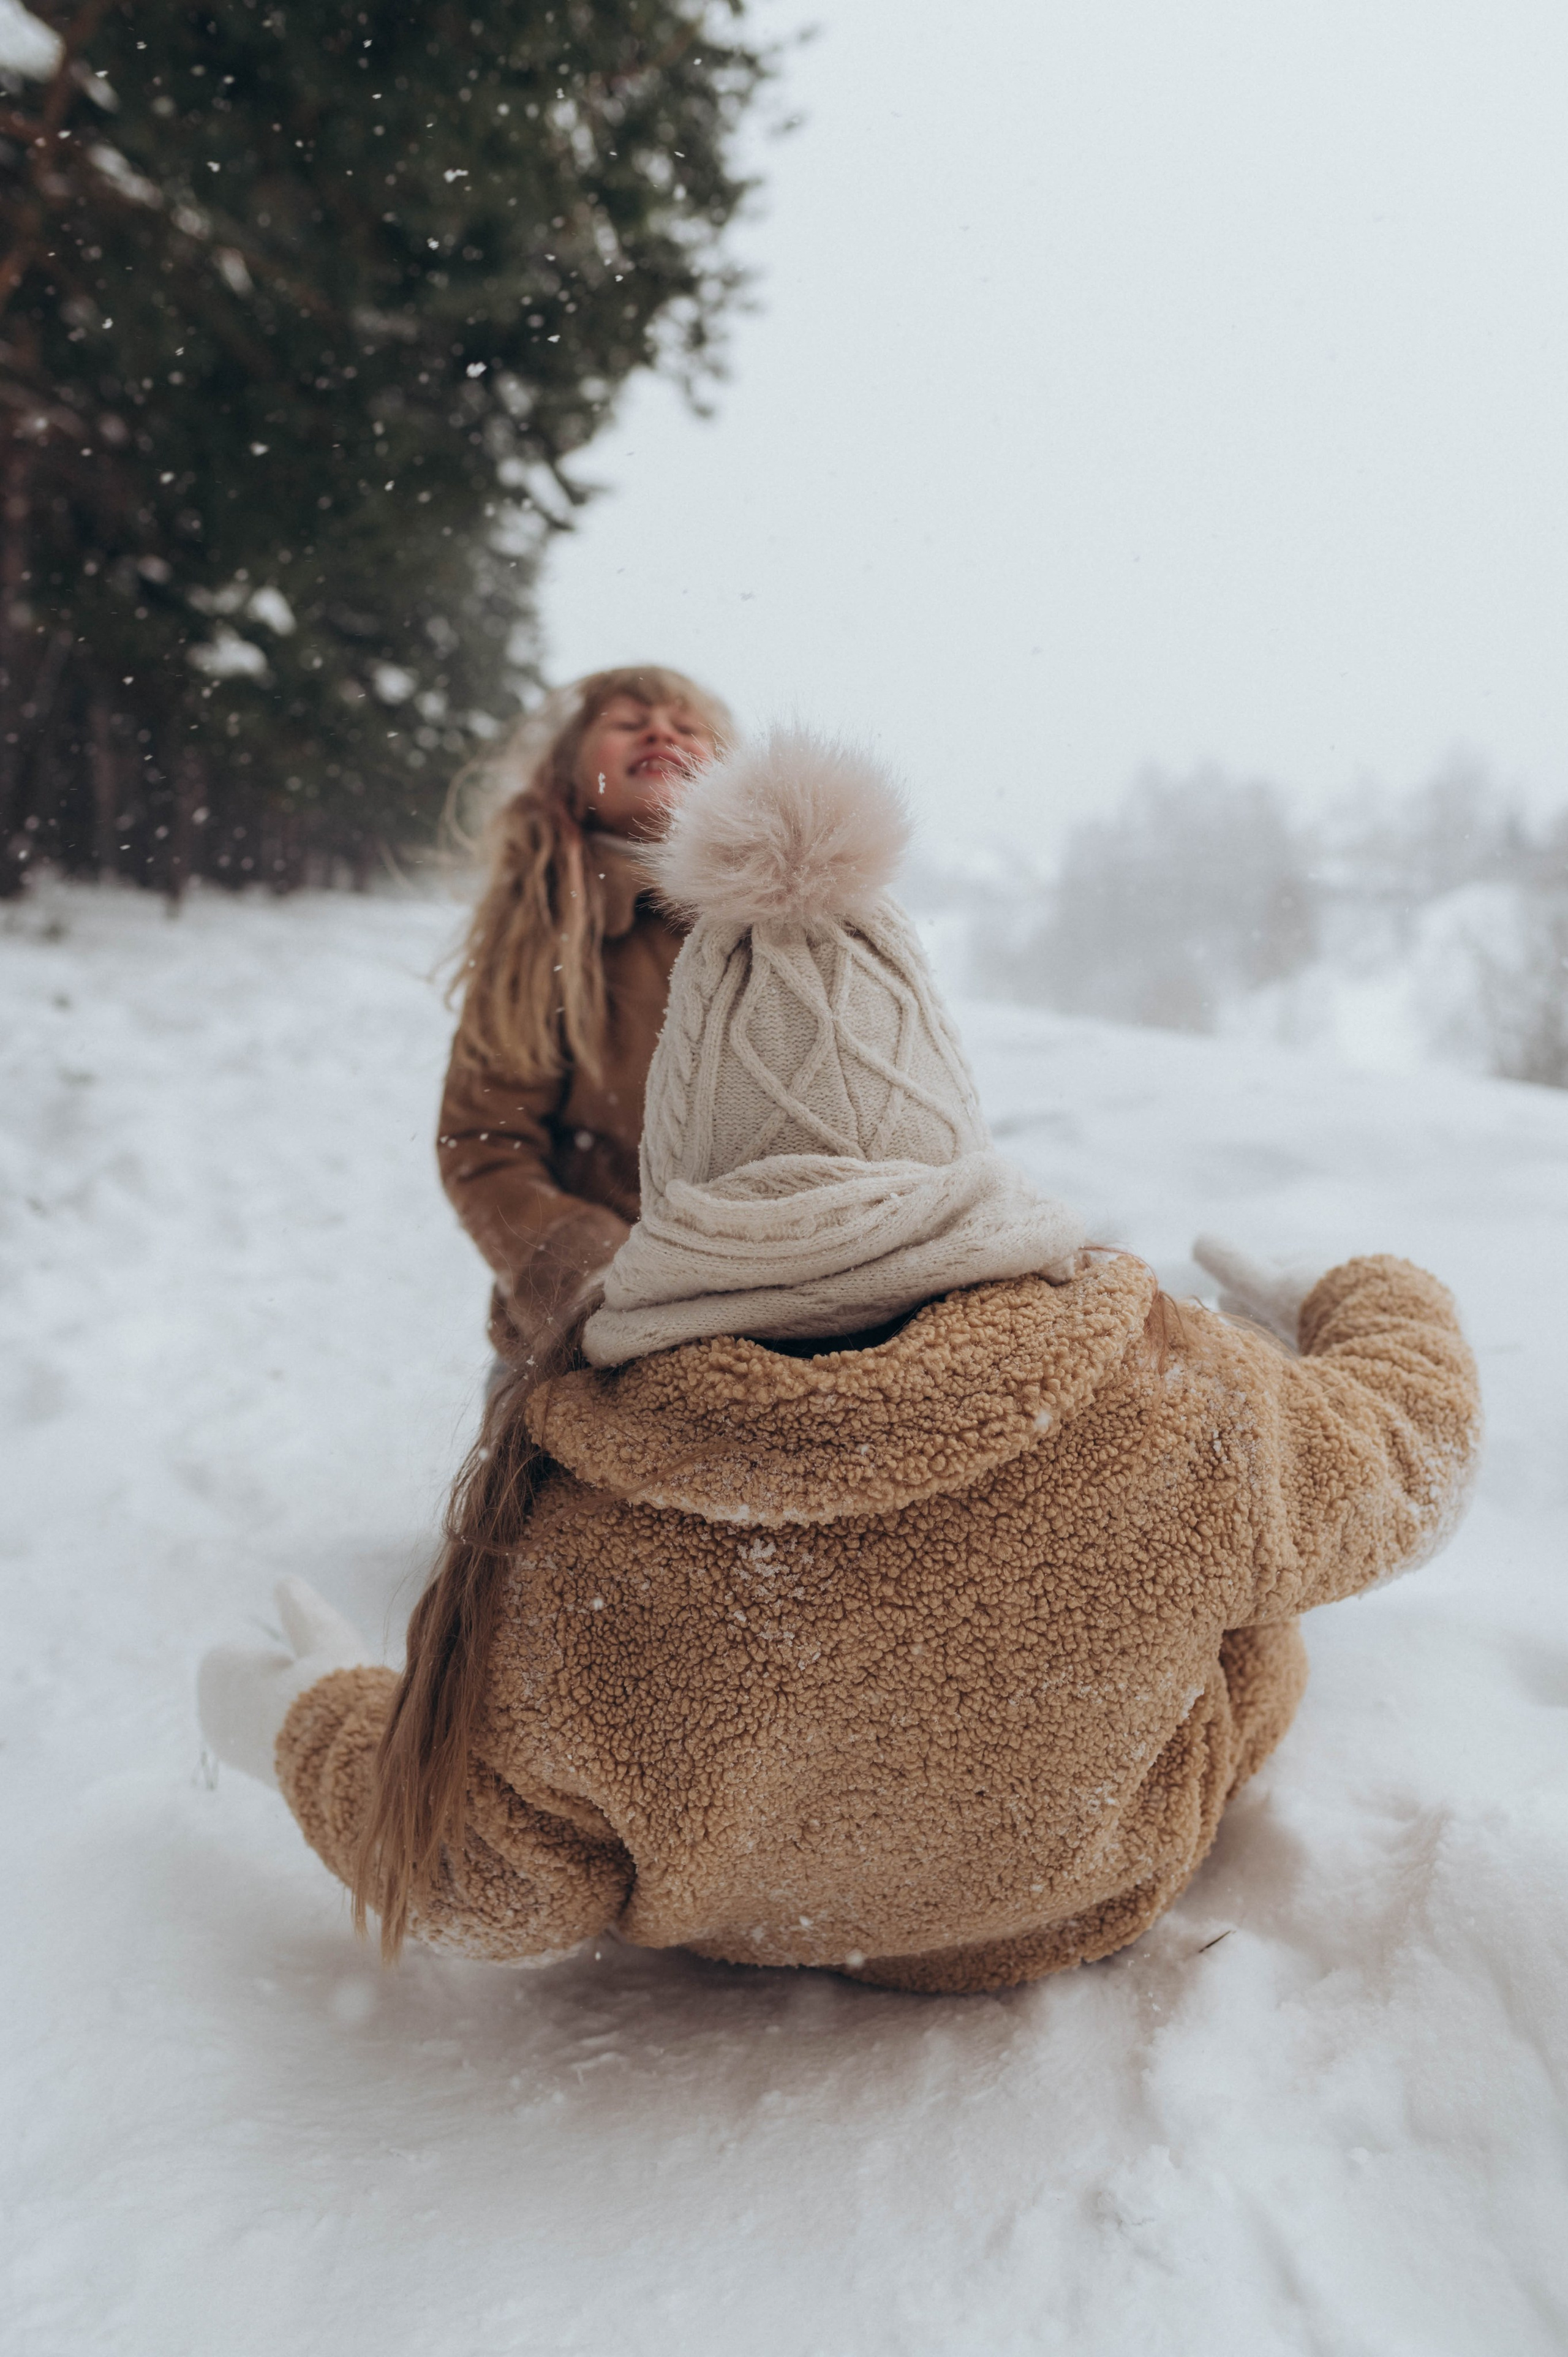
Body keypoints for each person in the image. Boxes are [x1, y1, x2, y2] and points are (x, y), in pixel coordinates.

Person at [199, 731, 1480, 1995]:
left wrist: (315, 1726)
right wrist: (1355, 1296)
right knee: (1245, 1577)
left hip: (735, 1927)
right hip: (1098, 1883)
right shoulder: (1167, 1403)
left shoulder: (565, 1537)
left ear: (683, 1147)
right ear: (939, 1105)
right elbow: (1410, 1454)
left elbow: (483, 1878)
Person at [439, 665, 731, 1369]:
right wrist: (594, 1277)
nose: (661, 730)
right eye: (629, 722)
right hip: (583, 1334)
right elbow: (485, 1142)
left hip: (770, 1306)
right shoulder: (540, 933)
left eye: (687, 726)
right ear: (570, 774)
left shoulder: (775, 922)